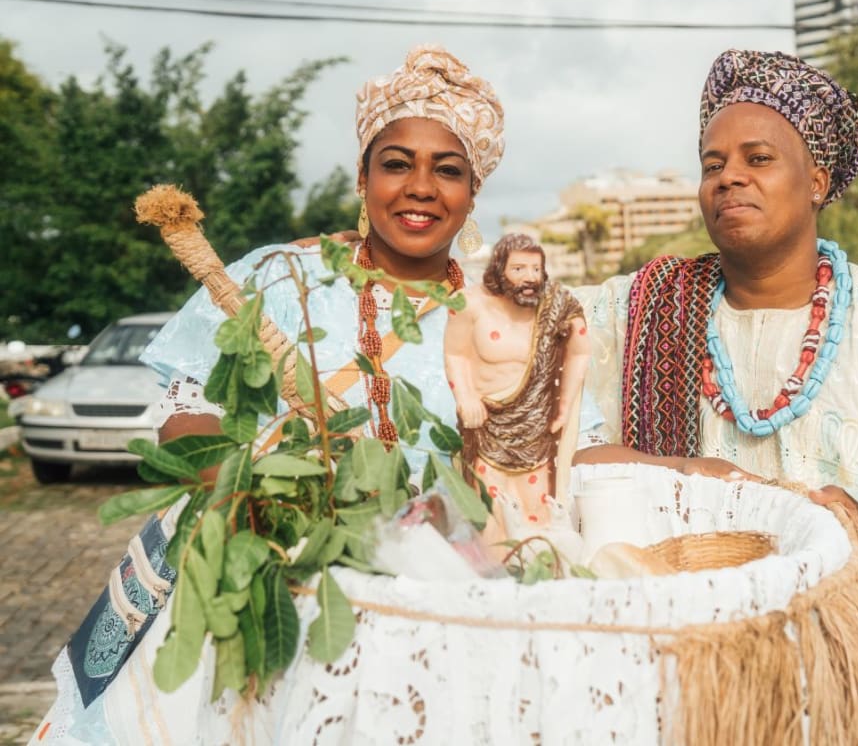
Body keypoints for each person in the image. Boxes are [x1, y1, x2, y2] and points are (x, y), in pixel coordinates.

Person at [34, 44, 511, 744]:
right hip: (265, 586)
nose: (420, 187)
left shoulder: (504, 317)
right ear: (362, 175)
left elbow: (559, 446)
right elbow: (184, 417)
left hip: (443, 597)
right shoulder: (281, 278)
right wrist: (256, 492)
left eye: (448, 170)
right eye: (396, 163)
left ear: (473, 193)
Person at [574, 49, 858, 684]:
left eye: (757, 159)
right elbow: (526, 367)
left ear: (817, 181)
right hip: (699, 675)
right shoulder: (632, 313)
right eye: (713, 164)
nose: (729, 177)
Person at [443, 233, 590, 542]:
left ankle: (536, 564)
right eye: (520, 269)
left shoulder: (556, 304)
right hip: (487, 427)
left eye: (537, 269)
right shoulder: (468, 303)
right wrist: (466, 396)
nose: (530, 278)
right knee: (489, 507)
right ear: (500, 268)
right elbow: (456, 353)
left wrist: (563, 407)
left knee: (536, 506)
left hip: (536, 429)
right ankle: (497, 568)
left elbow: (580, 351)